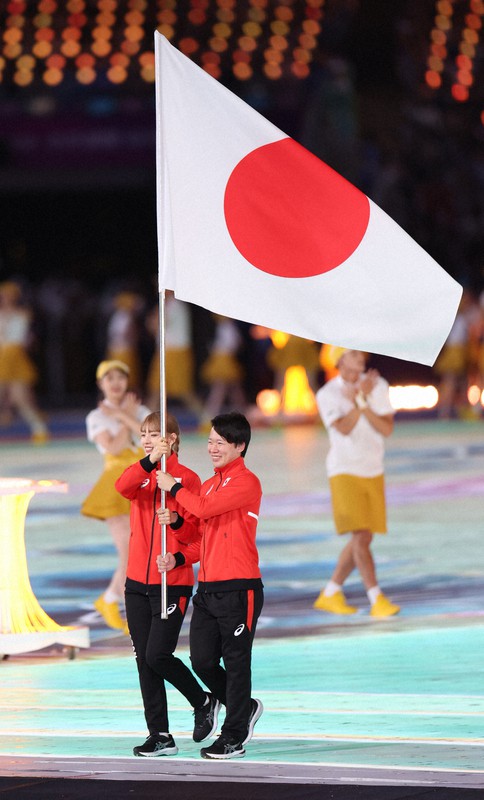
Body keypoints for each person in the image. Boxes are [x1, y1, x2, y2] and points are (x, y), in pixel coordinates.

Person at [157, 411, 264, 760]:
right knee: (202, 661)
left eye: (220, 442)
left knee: (236, 662)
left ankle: (233, 735)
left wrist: (174, 486)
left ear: (240, 446)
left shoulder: (246, 482)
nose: (212, 448)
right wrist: (176, 532)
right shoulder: (208, 484)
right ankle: (243, 707)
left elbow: (203, 510)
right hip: (209, 588)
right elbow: (199, 538)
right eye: (210, 441)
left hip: (240, 587)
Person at [115, 412, 219, 757]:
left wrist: (174, 522)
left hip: (169, 582)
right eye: (143, 434)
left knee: (157, 654)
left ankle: (202, 700)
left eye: (155, 434)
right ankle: (160, 734)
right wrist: (150, 462)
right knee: (143, 661)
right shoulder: (143, 474)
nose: (147, 439)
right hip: (136, 583)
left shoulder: (187, 479)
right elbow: (121, 487)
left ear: (172, 438)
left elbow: (198, 537)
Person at [314, 348, 400, 618]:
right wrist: (357, 401)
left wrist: (362, 399)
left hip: (373, 469)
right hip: (344, 469)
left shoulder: (377, 385)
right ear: (339, 359)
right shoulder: (327, 393)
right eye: (352, 352)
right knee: (361, 536)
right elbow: (343, 427)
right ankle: (376, 597)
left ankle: (330, 593)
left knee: (364, 536)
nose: (360, 356)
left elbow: (386, 428)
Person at [81, 360, 150, 631]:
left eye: (120, 377)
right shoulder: (96, 417)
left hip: (142, 480)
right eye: (109, 378)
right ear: (101, 384)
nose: (116, 382)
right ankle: (117, 602)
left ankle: (110, 599)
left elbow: (150, 441)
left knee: (140, 549)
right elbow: (115, 446)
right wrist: (124, 417)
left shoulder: (141, 410)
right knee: (130, 551)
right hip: (116, 484)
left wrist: (126, 415)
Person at [0, 280, 49, 443]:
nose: (5, 298)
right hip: (2, 357)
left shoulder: (23, 314)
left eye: (7, 295)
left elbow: (22, 339)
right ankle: (9, 413)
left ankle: (39, 428)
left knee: (20, 397)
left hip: (14, 357)